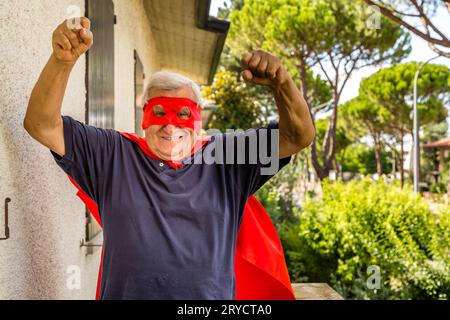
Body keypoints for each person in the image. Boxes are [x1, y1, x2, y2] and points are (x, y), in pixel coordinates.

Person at [24, 17, 315, 300]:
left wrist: (282, 84)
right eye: (160, 113)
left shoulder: (228, 160)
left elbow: (297, 137)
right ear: (144, 118)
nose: (171, 126)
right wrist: (62, 62)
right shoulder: (112, 153)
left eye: (184, 114)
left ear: (198, 118)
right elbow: (41, 124)